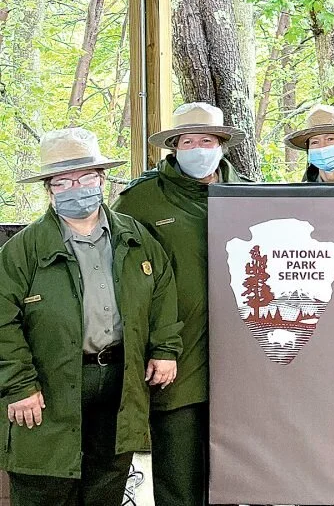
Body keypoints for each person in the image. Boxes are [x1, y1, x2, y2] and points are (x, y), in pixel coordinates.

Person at [0, 128, 181, 506]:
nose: (76, 188)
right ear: (49, 190)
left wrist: (165, 349)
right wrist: (18, 385)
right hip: (48, 387)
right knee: (45, 484)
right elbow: (2, 320)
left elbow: (163, 291)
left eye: (85, 178)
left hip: (120, 380)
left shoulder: (135, 237)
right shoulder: (23, 251)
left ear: (101, 180)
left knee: (106, 484)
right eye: (63, 182)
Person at [113, 102, 249, 506]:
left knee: (239, 476)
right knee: (178, 474)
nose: (197, 149)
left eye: (206, 140)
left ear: (221, 144)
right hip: (175, 359)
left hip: (243, 361)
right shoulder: (142, 200)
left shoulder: (250, 194)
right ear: (174, 147)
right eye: (187, 142)